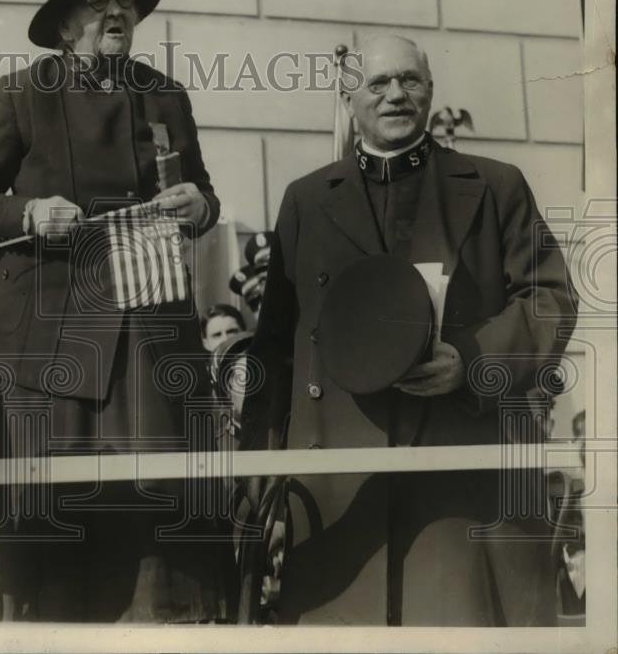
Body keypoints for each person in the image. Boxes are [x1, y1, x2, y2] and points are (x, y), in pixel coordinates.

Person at [241, 35, 578, 625]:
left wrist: (471, 361)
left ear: (430, 89)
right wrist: (257, 482)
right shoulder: (306, 200)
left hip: (462, 482)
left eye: (410, 80)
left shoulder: (495, 186)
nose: (395, 94)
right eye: (377, 83)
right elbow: (275, 350)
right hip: (342, 491)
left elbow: (550, 298)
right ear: (351, 100)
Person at [0, 0, 237, 622]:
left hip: (145, 336)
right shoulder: (24, 94)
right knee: (48, 505)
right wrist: (28, 210)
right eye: (97, 1)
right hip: (47, 337)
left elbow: (203, 195)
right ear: (62, 24)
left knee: (154, 505)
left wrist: (199, 207)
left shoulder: (164, 95)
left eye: (126, 1)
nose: (116, 12)